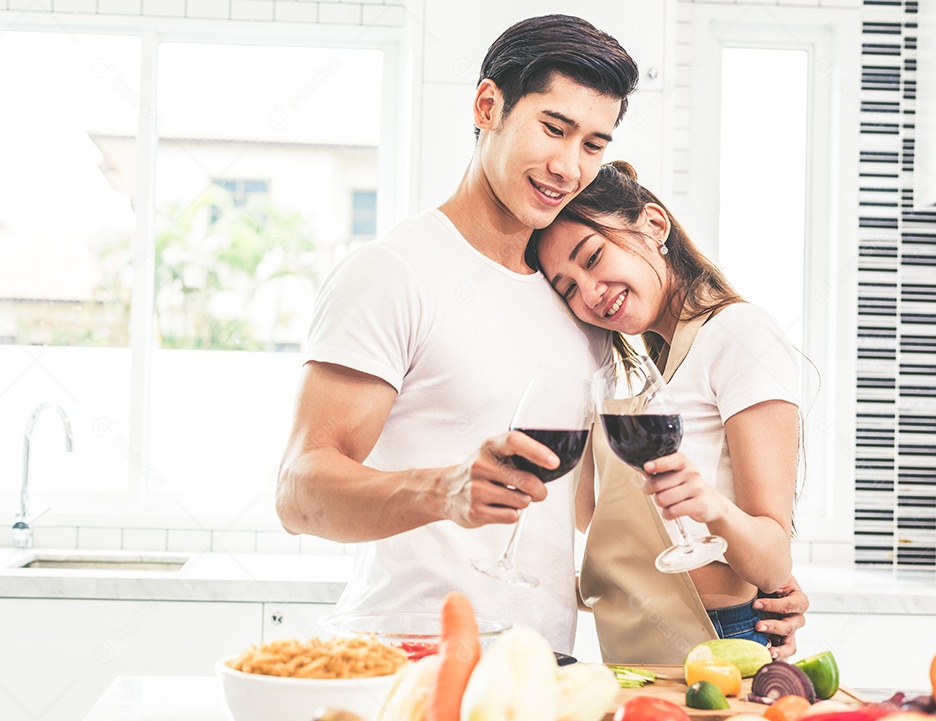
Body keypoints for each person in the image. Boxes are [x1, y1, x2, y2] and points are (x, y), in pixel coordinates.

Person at [277, 14, 809, 657]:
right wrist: (442, 489)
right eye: (553, 128)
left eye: (593, 144)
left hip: (545, 663)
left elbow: (594, 516)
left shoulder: (582, 311)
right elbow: (300, 492)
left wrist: (753, 586)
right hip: (411, 652)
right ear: (488, 105)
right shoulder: (393, 273)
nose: (568, 165)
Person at [530, 160, 807, 662]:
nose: (589, 293)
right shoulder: (643, 372)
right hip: (637, 640)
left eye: (592, 257)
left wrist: (708, 504)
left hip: (717, 639)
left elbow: (772, 561)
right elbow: (596, 524)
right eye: (567, 288)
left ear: (654, 225)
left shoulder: (738, 334)